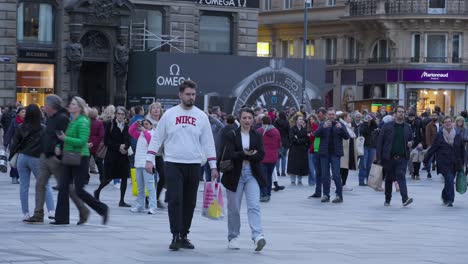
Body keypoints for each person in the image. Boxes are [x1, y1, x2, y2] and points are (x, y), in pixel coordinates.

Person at [145, 80, 219, 251]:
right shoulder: (169, 114)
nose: (191, 97)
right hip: (172, 162)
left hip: (194, 164)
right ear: (180, 95)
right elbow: (157, 137)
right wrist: (149, 159)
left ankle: (184, 234)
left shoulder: (201, 116)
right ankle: (175, 234)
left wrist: (213, 166)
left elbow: (208, 142)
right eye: (187, 94)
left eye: (193, 94)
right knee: (175, 199)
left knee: (190, 202)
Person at [24, 95, 88, 224]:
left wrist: (58, 152)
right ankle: (38, 214)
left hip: (55, 158)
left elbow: (66, 137)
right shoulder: (51, 118)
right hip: (45, 156)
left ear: (51, 106)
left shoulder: (62, 119)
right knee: (40, 184)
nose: (44, 107)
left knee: (66, 187)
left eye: (46, 105)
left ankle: (83, 210)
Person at [53, 97, 109, 225]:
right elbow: (65, 138)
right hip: (69, 156)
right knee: (63, 187)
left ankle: (103, 209)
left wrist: (65, 139)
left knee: (79, 190)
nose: (70, 106)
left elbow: (82, 141)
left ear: (79, 107)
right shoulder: (72, 121)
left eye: (73, 104)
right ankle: (61, 218)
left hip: (80, 157)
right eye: (71, 104)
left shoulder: (83, 121)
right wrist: (58, 146)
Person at [220, 107, 267, 251]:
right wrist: (246, 154)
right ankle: (233, 237)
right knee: (234, 208)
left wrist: (245, 154)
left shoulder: (257, 135)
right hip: (234, 174)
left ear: (254, 120)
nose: (247, 120)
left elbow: (261, 155)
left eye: (250, 118)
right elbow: (229, 154)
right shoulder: (232, 134)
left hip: (252, 174)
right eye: (244, 118)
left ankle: (258, 236)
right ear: (239, 119)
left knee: (254, 205)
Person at [10, 104, 55, 220]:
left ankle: (25, 213)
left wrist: (11, 157)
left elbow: (14, 143)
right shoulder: (43, 128)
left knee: (23, 186)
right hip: (36, 158)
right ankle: (51, 211)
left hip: (22, 157)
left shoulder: (20, 127)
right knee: (45, 184)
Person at [376, 106, 414, 207]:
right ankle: (387, 199)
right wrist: (379, 158)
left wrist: (411, 143)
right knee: (389, 178)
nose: (401, 114)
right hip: (389, 157)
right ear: (395, 113)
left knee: (401, 176)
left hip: (402, 157)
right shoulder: (387, 126)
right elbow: (380, 142)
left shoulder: (407, 127)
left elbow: (411, 139)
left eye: (403, 112)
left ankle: (405, 198)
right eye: (399, 112)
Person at [94, 106, 132, 207]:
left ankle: (122, 200)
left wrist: (126, 147)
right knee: (108, 178)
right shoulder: (110, 124)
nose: (120, 116)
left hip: (123, 156)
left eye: (122, 114)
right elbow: (107, 141)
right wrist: (118, 146)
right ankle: (97, 191)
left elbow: (128, 139)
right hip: (111, 155)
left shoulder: (127, 126)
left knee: (124, 177)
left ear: (125, 116)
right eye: (118, 114)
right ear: (115, 114)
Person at [424, 116, 464, 207]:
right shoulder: (440, 135)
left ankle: (444, 195)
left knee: (449, 180)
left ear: (452, 122)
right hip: (443, 162)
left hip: (455, 162)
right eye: (446, 122)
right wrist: (426, 159)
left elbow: (461, 149)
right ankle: (450, 200)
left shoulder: (457, 134)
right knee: (449, 179)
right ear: (443, 124)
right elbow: (433, 147)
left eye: (449, 122)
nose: (448, 123)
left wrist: (463, 162)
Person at [314, 108, 350, 203]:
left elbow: (347, 136)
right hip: (324, 154)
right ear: (327, 115)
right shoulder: (322, 124)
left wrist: (341, 129)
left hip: (335, 154)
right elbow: (316, 134)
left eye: (332, 114)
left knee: (336, 175)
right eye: (329, 114)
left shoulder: (340, 124)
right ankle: (326, 195)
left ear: (335, 115)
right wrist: (323, 127)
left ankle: (339, 195)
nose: (331, 116)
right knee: (325, 175)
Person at [129, 119, 157, 214]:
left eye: (146, 124)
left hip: (148, 164)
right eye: (143, 124)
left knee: (150, 187)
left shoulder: (153, 134)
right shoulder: (140, 134)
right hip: (138, 164)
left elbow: (150, 142)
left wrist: (145, 131)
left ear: (151, 126)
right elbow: (131, 131)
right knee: (140, 187)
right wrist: (135, 123)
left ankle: (152, 206)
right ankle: (139, 205)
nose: (144, 126)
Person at [146, 102, 166, 209]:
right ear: (150, 110)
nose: (156, 110)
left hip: (159, 154)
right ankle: (148, 198)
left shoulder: (163, 121)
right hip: (149, 154)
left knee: (163, 176)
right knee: (150, 178)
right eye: (153, 108)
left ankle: (156, 198)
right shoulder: (147, 121)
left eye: (158, 108)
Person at [257, 115, 281, 202]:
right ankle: (268, 194)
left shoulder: (259, 131)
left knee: (263, 176)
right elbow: (279, 144)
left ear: (262, 122)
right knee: (269, 175)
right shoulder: (276, 131)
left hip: (262, 157)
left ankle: (264, 194)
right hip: (273, 157)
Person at [308, 108, 327, 198]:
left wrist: (313, 134)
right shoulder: (319, 124)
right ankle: (318, 191)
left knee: (323, 173)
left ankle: (325, 193)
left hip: (322, 151)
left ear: (324, 115)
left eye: (319, 115)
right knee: (318, 173)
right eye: (318, 115)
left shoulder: (325, 124)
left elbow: (316, 134)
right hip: (315, 150)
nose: (318, 117)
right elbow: (314, 136)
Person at [287, 115, 309, 185]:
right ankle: (292, 180)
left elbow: (306, 139)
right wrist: (299, 140)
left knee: (301, 165)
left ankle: (300, 180)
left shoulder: (304, 129)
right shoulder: (292, 129)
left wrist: (298, 139)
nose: (301, 120)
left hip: (302, 150)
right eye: (299, 119)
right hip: (294, 149)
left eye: (302, 119)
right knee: (293, 165)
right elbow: (292, 138)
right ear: (296, 120)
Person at [5, 107, 24, 184]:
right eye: (22, 112)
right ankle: (14, 177)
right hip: (15, 144)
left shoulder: (28, 122)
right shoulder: (14, 121)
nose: (24, 113)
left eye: (25, 112)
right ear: (18, 113)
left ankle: (20, 177)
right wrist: (6, 143)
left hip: (24, 145)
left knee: (21, 163)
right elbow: (10, 132)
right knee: (14, 161)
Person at [338, 112, 358, 191]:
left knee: (345, 167)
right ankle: (339, 183)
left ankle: (343, 184)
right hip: (343, 149)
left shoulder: (348, 126)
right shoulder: (341, 125)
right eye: (349, 116)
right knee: (342, 167)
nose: (350, 118)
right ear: (345, 118)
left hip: (348, 149)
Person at [358, 114, 378, 186]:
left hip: (372, 146)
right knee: (363, 164)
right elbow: (363, 131)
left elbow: (376, 126)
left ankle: (368, 180)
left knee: (369, 165)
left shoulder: (373, 126)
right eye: (367, 118)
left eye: (370, 118)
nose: (369, 119)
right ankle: (361, 181)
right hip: (364, 146)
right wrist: (365, 123)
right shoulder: (363, 125)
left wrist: (372, 120)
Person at [87, 108, 105, 183]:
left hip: (86, 144)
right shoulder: (99, 123)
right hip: (96, 146)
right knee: (99, 162)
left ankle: (85, 179)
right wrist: (94, 143)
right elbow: (101, 135)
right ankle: (102, 178)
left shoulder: (86, 122)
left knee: (85, 163)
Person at [273, 111, 290, 177]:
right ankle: (283, 171)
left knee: (278, 157)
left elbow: (274, 132)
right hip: (285, 141)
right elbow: (289, 132)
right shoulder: (287, 122)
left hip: (277, 141)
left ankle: (277, 171)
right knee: (284, 157)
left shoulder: (276, 122)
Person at [425, 113, 440, 179]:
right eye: (433, 115)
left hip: (440, 145)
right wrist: (429, 145)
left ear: (438, 116)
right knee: (429, 160)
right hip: (432, 145)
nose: (434, 117)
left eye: (435, 115)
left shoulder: (441, 124)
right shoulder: (429, 125)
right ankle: (428, 172)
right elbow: (427, 136)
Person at [306, 114, 319, 186]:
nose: (311, 121)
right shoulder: (308, 127)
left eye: (312, 119)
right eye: (310, 119)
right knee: (311, 165)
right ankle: (311, 181)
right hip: (310, 146)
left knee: (315, 165)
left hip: (315, 146)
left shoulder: (317, 126)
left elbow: (316, 137)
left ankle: (315, 180)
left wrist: (311, 135)